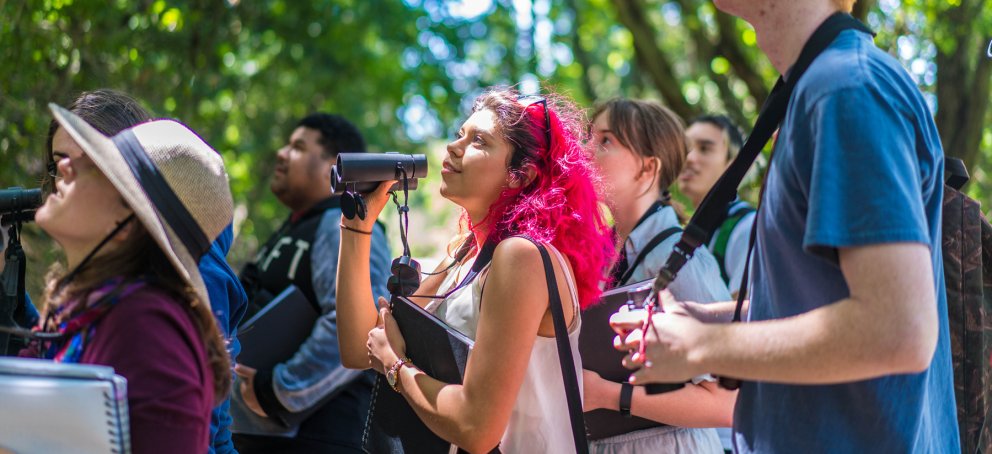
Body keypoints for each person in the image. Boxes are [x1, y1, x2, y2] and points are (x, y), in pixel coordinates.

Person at [611, 1, 960, 452]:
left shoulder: (846, 88)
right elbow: (817, 302)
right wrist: (699, 318)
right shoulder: (821, 87)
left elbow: (898, 331)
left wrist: (702, 346)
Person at [335, 88, 615, 453]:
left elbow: (476, 427)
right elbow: (361, 348)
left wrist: (396, 367)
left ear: (520, 176)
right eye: (459, 135)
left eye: (478, 141)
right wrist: (357, 226)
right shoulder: (466, 252)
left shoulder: (521, 257)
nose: (453, 147)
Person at [40, 89, 248, 454]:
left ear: (127, 219)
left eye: (94, 167)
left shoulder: (146, 326)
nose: (63, 170)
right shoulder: (91, 306)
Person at [231, 113, 392, 453]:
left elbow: (362, 328)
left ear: (334, 166)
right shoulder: (300, 226)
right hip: (271, 435)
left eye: (298, 147)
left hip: (320, 438)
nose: (281, 153)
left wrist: (278, 390)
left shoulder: (342, 226)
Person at [582, 98, 732, 453]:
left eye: (606, 140)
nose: (586, 150)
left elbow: (727, 402)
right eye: (588, 137)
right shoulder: (600, 254)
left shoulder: (682, 258)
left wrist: (608, 395)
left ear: (648, 168)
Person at [679, 115, 756, 294]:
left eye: (704, 148)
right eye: (685, 148)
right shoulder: (689, 231)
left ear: (734, 163)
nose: (689, 158)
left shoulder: (746, 227)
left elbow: (747, 307)